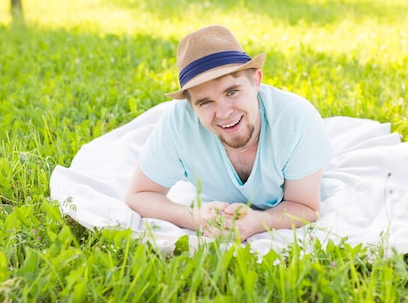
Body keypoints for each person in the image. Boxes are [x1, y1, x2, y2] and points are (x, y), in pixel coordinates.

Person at [125, 25, 334, 241]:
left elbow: (305, 206)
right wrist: (193, 217)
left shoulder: (296, 119)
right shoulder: (178, 124)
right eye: (205, 102)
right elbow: (139, 194)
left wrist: (261, 222)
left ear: (256, 81)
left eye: (232, 91)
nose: (224, 113)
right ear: (191, 106)